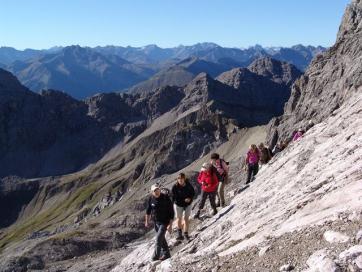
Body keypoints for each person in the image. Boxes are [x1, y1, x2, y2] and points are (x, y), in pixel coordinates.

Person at [145, 184, 174, 261]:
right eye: (155, 190)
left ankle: (155, 257)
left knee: (158, 238)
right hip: (156, 222)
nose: (157, 191)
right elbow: (148, 211)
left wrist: (170, 225)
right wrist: (147, 222)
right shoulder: (151, 199)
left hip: (165, 222)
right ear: (152, 192)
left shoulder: (165, 198)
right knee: (162, 238)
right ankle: (167, 254)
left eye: (158, 189)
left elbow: (171, 212)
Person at [171, 173, 195, 241]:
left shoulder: (188, 185)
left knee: (186, 219)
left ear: (184, 179)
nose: (180, 180)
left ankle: (186, 234)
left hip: (188, 204)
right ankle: (179, 234)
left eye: (181, 179)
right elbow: (174, 197)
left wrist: (190, 198)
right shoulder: (175, 187)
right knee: (179, 219)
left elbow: (192, 193)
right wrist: (183, 200)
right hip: (178, 205)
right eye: (179, 179)